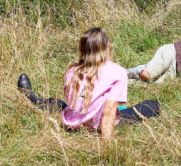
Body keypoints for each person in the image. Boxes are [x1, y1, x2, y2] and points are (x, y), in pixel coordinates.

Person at [17, 28, 160, 139]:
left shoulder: (72, 70)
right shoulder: (118, 72)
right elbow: (108, 111)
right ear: (107, 48)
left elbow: (74, 101)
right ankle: (32, 97)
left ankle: (31, 97)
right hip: (97, 125)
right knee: (153, 105)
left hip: (71, 123)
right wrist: (106, 144)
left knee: (59, 104)